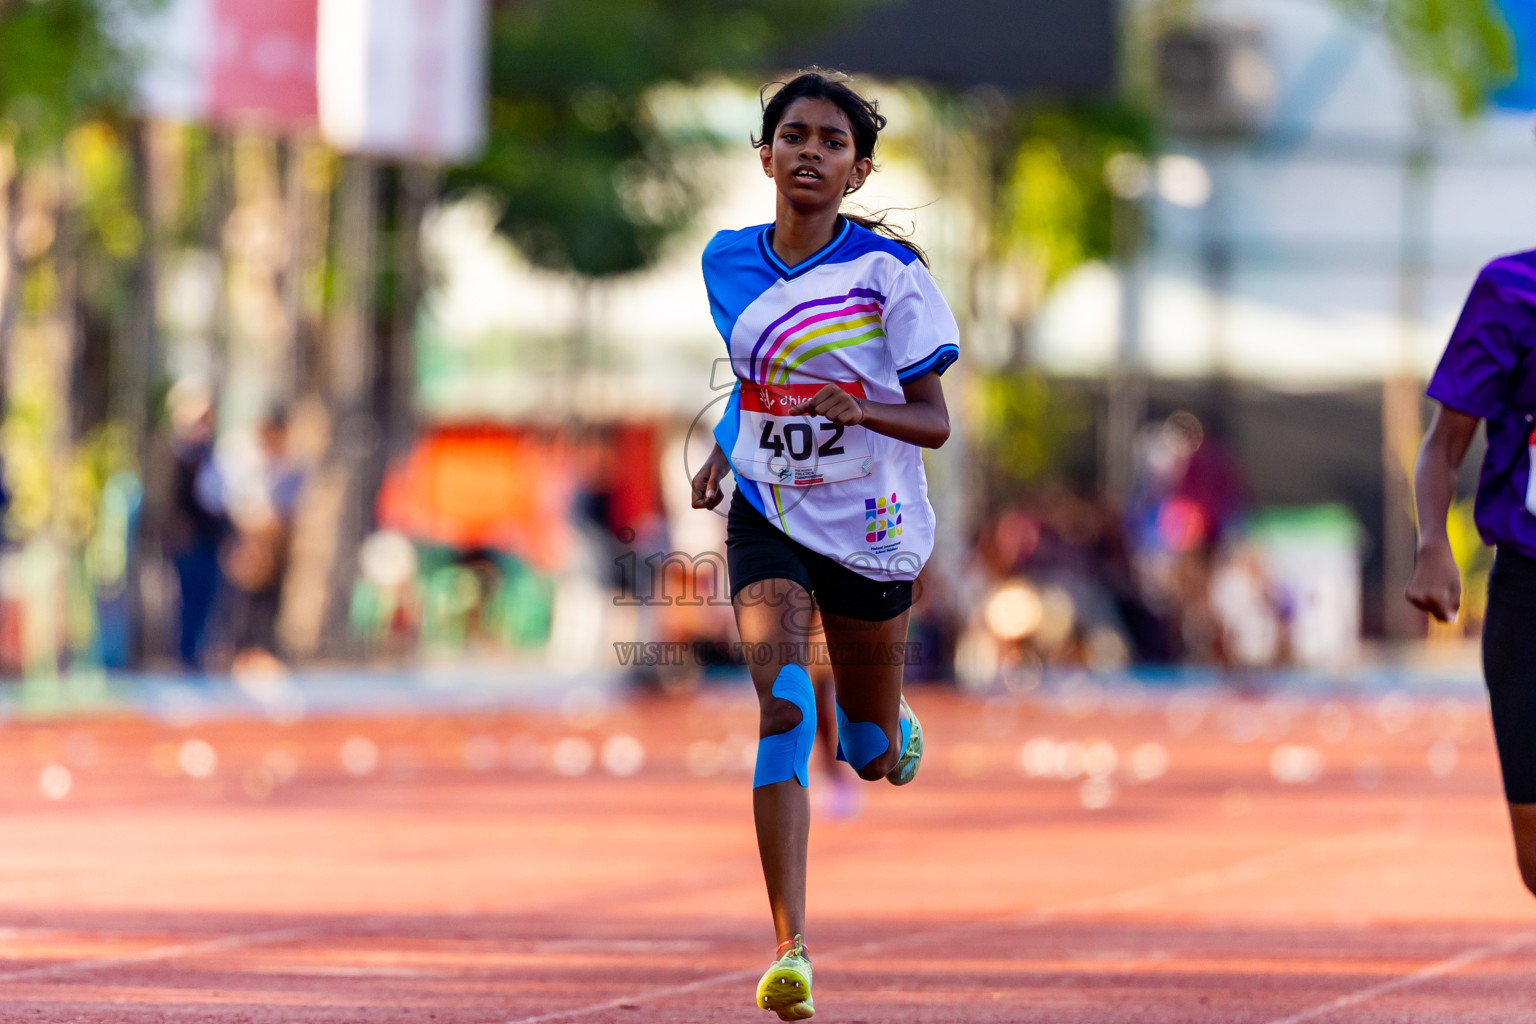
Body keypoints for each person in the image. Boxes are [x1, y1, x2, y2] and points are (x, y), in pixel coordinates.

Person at [690, 70, 959, 1020]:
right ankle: (790, 949)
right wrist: (727, 453)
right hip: (769, 513)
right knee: (786, 701)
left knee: (871, 753)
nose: (810, 150)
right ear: (764, 157)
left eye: (832, 141)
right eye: (793, 135)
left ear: (858, 169)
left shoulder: (892, 278)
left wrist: (866, 409)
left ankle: (892, 727)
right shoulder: (727, 260)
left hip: (873, 534)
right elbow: (758, 384)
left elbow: (935, 422)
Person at [1408, 248, 1536, 899]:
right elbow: (1443, 444)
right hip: (1529, 593)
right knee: (1533, 854)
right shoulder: (1510, 289)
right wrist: (1433, 544)